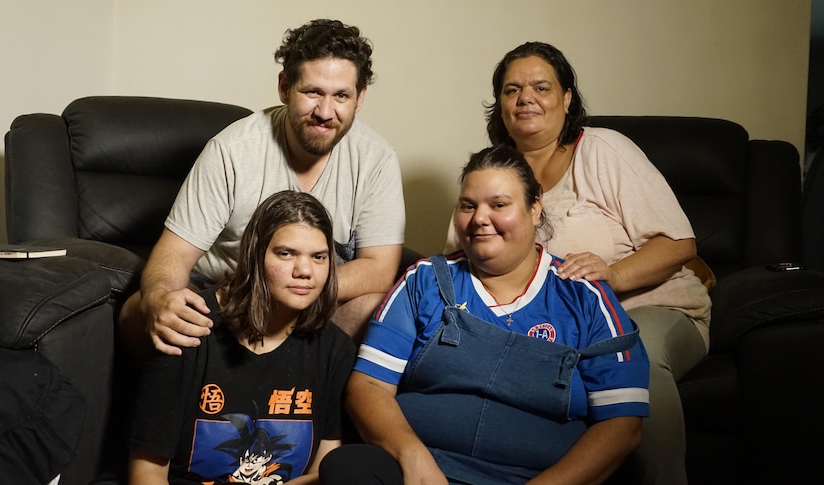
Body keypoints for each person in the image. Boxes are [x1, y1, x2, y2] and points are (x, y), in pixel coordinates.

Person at [445, 41, 712, 484]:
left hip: (649, 309)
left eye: (541, 87)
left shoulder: (604, 150)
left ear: (567, 98)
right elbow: (463, 253)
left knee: (630, 351)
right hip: (552, 328)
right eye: (512, 90)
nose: (525, 98)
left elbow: (679, 242)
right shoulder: (494, 172)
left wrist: (612, 275)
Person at [320, 145, 650, 485]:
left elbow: (623, 425)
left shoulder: (585, 296)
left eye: (499, 205)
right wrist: (412, 456)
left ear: (535, 208)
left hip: (538, 477)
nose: (479, 218)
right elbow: (369, 385)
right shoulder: (424, 280)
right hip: (423, 472)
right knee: (349, 466)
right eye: (468, 206)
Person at [119, 18, 405, 357]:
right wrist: (160, 297)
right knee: (137, 311)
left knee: (372, 308)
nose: (326, 112)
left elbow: (379, 268)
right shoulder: (232, 151)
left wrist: (289, 292)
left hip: (312, 299)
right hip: (224, 298)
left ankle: (311, 402)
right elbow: (174, 254)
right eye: (312, 92)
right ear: (284, 87)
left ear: (359, 98)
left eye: (341, 95)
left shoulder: (376, 157)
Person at [127, 190, 356, 485]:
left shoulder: (335, 350)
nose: (305, 270)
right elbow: (147, 473)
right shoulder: (188, 327)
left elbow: (323, 472)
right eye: (286, 253)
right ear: (255, 255)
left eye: (319, 257)